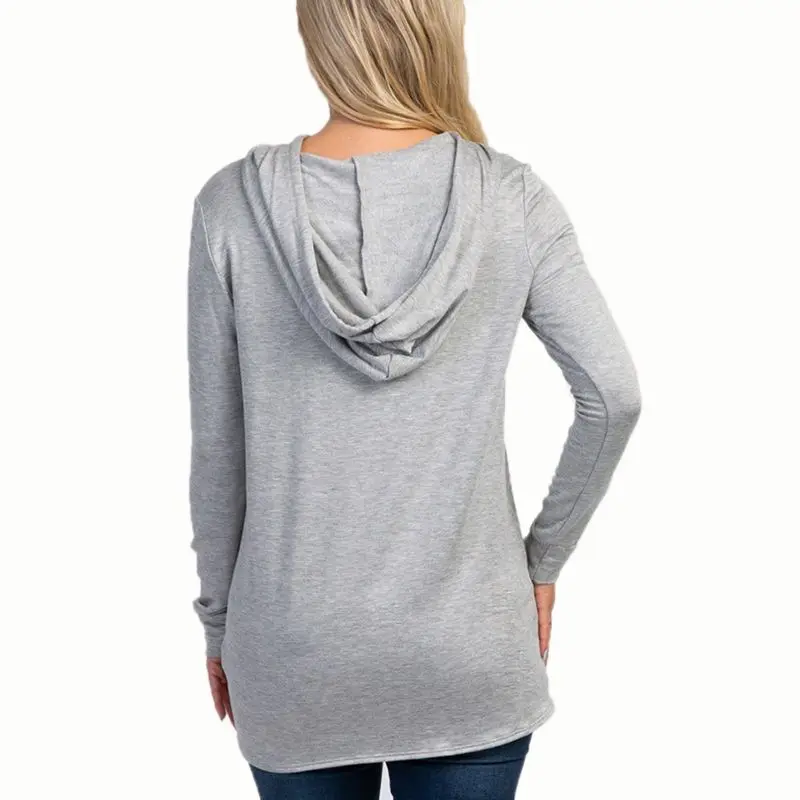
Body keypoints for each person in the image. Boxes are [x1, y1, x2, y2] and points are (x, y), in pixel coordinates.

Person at [186, 1, 642, 797]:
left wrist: (220, 623)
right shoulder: (512, 198)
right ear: (440, 30)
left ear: (318, 36)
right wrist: (542, 563)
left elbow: (219, 448)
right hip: (470, 644)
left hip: (294, 651)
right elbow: (612, 394)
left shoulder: (233, 207)